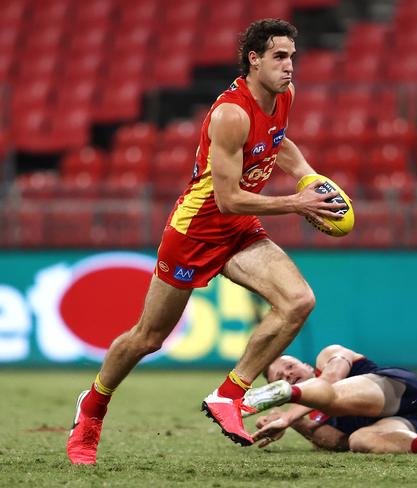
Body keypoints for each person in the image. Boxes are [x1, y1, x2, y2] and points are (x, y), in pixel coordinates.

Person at [67, 19, 347, 464]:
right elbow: (229, 198)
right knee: (147, 337)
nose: (289, 65)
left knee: (298, 301)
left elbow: (279, 142)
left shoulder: (283, 97)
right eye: (279, 56)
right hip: (195, 232)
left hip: (238, 231)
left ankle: (229, 394)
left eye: (292, 56)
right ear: (253, 60)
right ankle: (92, 408)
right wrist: (298, 202)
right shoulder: (230, 114)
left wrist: (309, 175)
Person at [240, 344, 417, 455]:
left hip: (400, 389)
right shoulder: (309, 414)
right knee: (358, 441)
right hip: (414, 422)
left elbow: (330, 380)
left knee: (333, 394)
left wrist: (288, 416)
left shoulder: (327, 355)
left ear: (306, 365)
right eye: (281, 378)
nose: (288, 374)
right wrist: (297, 423)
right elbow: (338, 442)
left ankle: (290, 394)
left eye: (289, 367)